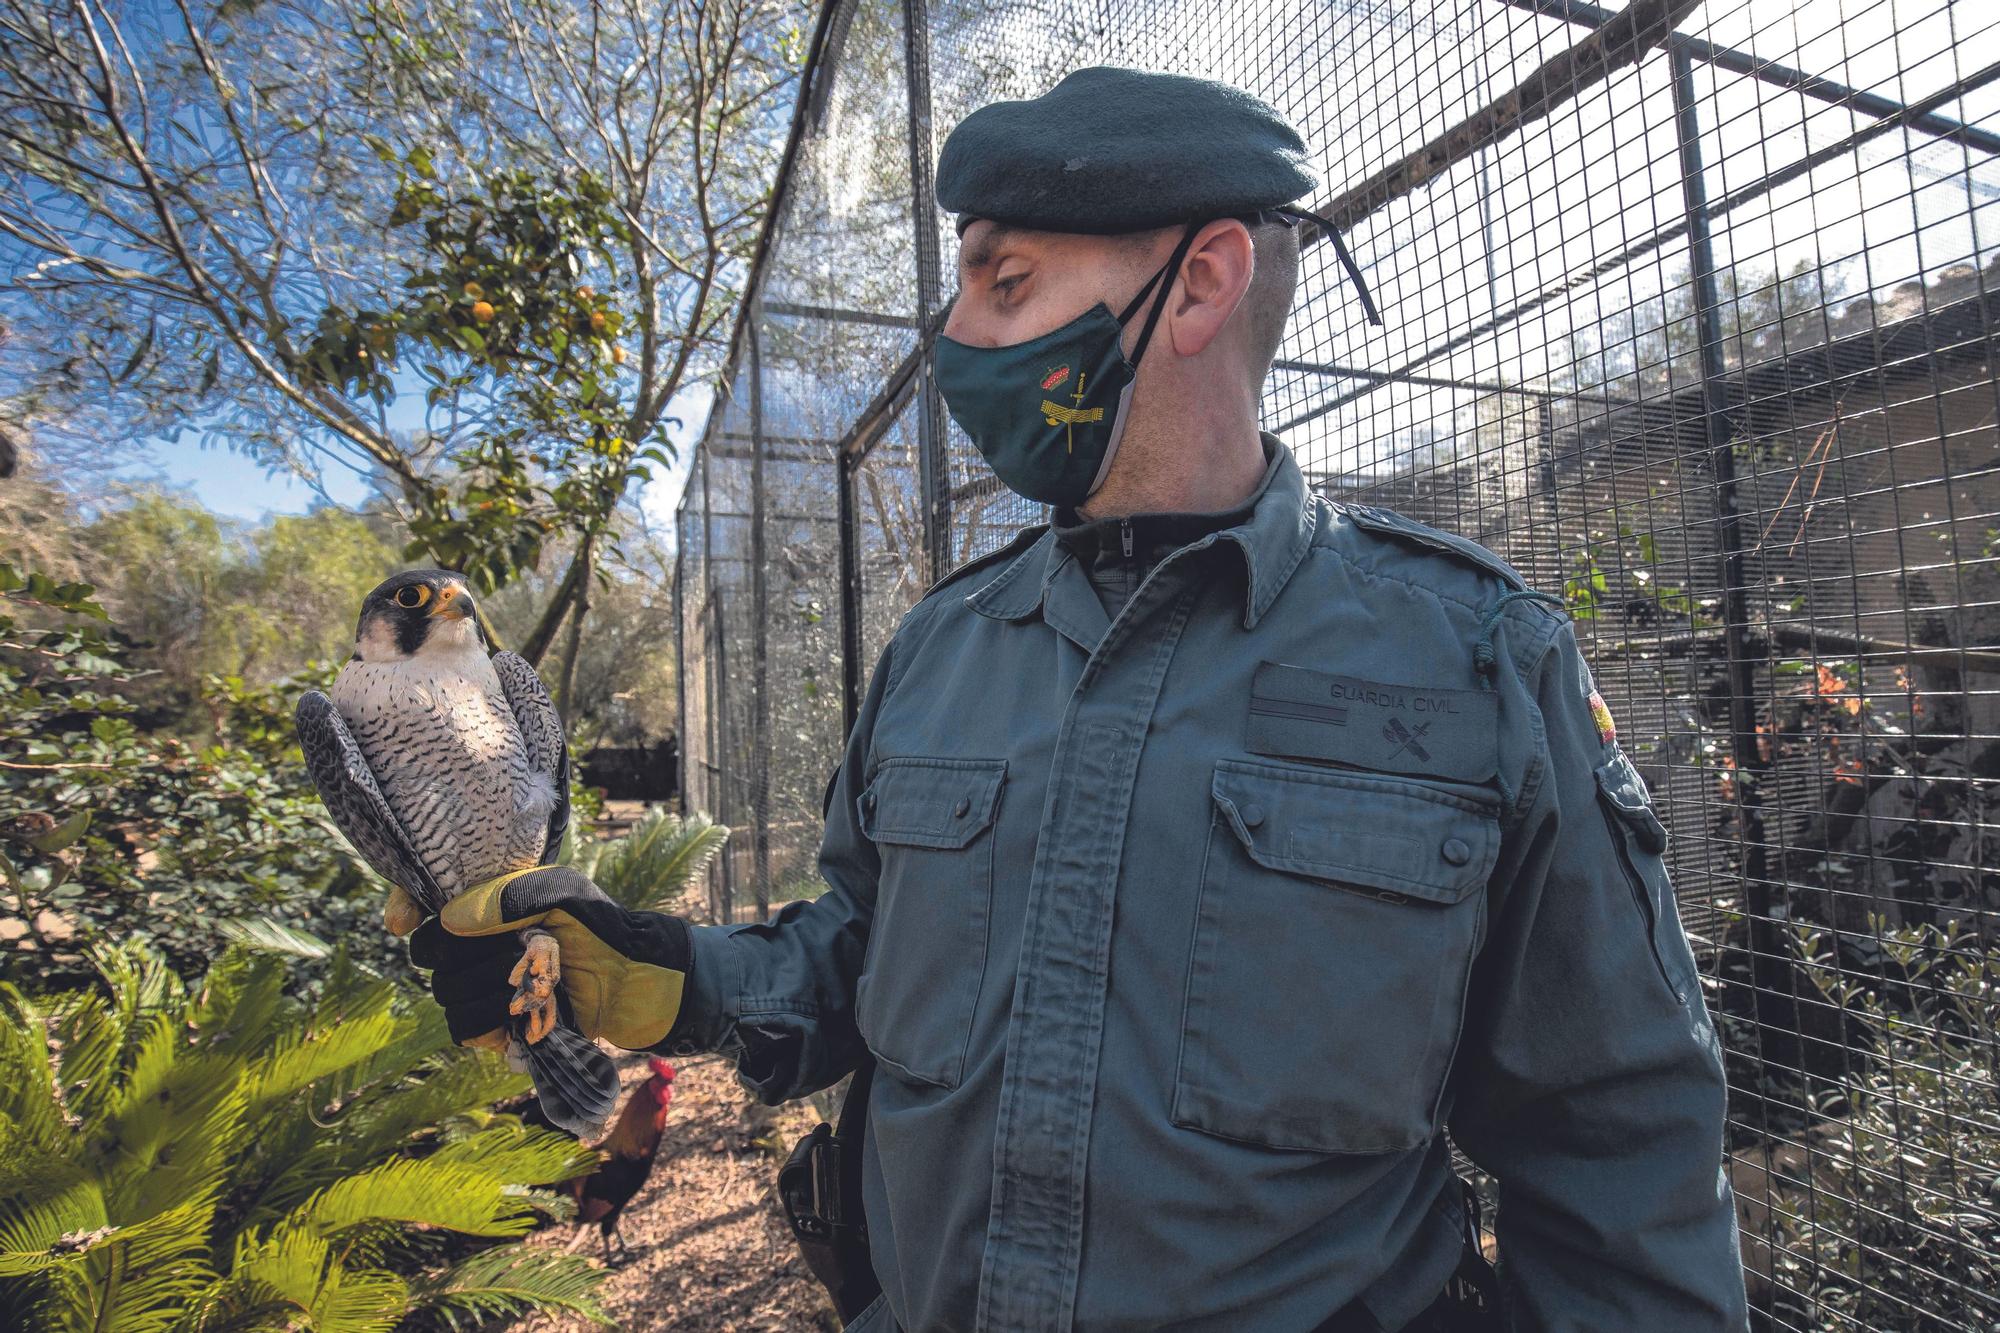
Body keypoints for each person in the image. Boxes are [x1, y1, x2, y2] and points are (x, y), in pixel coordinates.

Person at [407, 65, 1750, 1332]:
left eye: (1006, 282)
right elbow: (857, 958)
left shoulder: (1476, 660)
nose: (957, 336)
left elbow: (1619, 1142)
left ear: (1198, 284)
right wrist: (668, 977)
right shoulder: (943, 651)